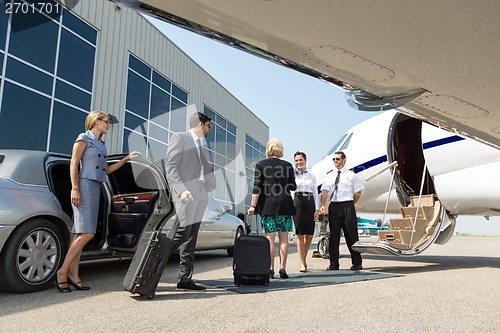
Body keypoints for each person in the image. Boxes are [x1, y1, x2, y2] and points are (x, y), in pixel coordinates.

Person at [57, 111, 138, 292]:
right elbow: (73, 163)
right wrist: (75, 188)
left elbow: (106, 170)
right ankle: (62, 272)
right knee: (87, 233)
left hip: (96, 187)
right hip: (84, 186)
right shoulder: (83, 138)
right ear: (95, 121)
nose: (108, 125)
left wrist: (125, 160)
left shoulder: (101, 145)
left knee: (79, 234)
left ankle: (74, 275)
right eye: (106, 121)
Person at [166, 112, 216, 291]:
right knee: (182, 234)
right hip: (186, 194)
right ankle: (152, 260)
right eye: (209, 126)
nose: (210, 129)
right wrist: (181, 190)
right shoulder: (181, 138)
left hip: (201, 193)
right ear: (201, 124)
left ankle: (185, 279)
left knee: (191, 238)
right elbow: (171, 166)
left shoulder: (200, 146)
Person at [247, 138, 296, 279]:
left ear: (268, 149)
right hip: (285, 205)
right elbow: (293, 186)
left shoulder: (261, 165)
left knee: (269, 238)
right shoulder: (287, 166)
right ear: (280, 149)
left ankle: (270, 268)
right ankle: (283, 268)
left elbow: (257, 188)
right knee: (284, 238)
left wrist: (252, 206)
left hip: (267, 206)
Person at [319, 151, 364, 271]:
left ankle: (357, 263)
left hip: (347, 206)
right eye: (333, 159)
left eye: (337, 159)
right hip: (334, 206)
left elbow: (358, 192)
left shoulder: (351, 175)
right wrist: (322, 205)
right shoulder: (329, 175)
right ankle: (334, 264)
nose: (335, 161)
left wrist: (351, 204)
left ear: (344, 160)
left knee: (351, 236)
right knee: (334, 236)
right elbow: (324, 191)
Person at [292, 151, 320, 272]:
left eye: (300, 160)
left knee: (309, 234)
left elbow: (315, 193)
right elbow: (290, 191)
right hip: (297, 202)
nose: (298, 162)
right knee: (300, 234)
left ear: (305, 161)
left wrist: (317, 209)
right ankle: (302, 262)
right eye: (296, 160)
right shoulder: (292, 175)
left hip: (309, 203)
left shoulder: (312, 176)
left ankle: (303, 258)